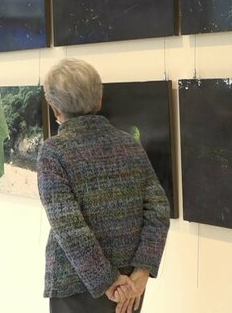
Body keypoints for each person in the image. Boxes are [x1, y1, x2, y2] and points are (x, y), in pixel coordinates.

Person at [38, 58, 170, 313]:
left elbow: (69, 227)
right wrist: (142, 272)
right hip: (129, 287)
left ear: (55, 109)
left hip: (77, 287)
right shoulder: (129, 144)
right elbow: (158, 209)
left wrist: (107, 281)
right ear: (99, 100)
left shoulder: (54, 151)